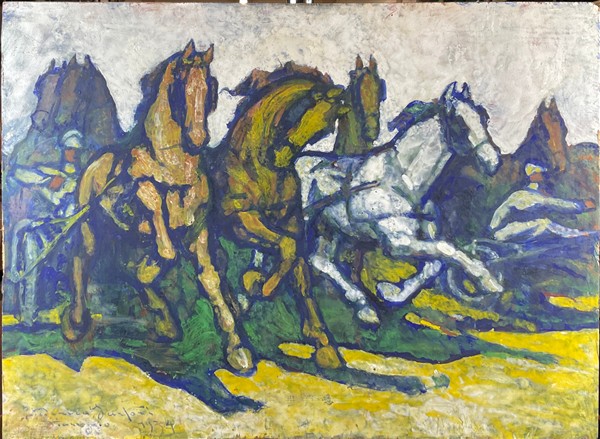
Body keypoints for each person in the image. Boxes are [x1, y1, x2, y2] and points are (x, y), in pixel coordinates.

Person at [8, 130, 84, 324]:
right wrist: (47, 182)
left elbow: (67, 206)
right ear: (64, 150)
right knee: (30, 263)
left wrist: (60, 189)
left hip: (65, 232)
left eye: (76, 150)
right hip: (43, 229)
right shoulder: (53, 173)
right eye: (70, 149)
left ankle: (49, 311)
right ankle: (28, 316)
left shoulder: (82, 179)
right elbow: (17, 173)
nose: (73, 154)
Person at [489, 163, 596, 242]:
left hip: (503, 232)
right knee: (544, 224)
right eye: (541, 174)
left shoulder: (527, 193)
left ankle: (575, 233)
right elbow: (555, 203)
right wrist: (581, 205)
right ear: (532, 176)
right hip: (503, 233)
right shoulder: (524, 195)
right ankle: (579, 234)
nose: (544, 177)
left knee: (542, 223)